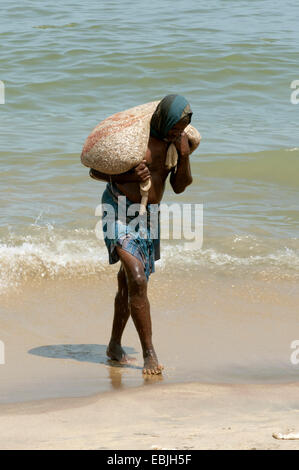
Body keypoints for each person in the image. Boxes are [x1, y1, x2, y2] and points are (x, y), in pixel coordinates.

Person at [90, 94, 194, 375]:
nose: (177, 133)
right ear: (163, 120)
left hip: (148, 216)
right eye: (174, 128)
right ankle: (149, 353)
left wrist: (183, 156)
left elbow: (181, 186)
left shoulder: (177, 144)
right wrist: (130, 176)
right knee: (136, 276)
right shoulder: (138, 141)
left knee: (128, 284)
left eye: (181, 129)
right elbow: (97, 171)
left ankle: (114, 346)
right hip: (118, 209)